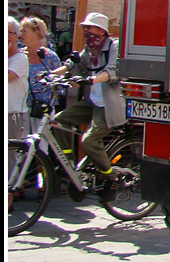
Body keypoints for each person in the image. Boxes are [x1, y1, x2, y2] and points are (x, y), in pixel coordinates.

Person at [51, 13, 126, 203]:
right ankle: (67, 164)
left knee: (89, 140)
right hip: (92, 102)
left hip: (108, 105)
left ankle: (112, 177)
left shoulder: (113, 46)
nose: (86, 31)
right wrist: (51, 75)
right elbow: (71, 65)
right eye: (84, 28)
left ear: (101, 31)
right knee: (58, 121)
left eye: (90, 28)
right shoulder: (90, 49)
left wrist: (92, 78)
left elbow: (113, 71)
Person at [20, 16, 63, 133]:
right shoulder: (19, 56)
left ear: (36, 32)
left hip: (43, 110)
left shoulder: (50, 57)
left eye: (24, 31)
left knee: (41, 144)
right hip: (21, 107)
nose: (21, 35)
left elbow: (60, 82)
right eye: (20, 31)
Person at [8, 17, 30, 140]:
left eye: (9, 33)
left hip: (12, 116)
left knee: (9, 158)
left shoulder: (20, 58)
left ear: (17, 36)